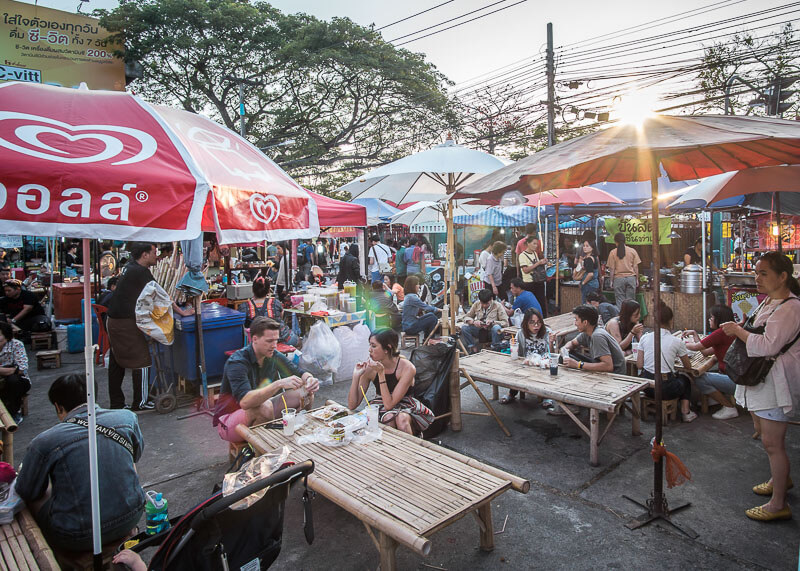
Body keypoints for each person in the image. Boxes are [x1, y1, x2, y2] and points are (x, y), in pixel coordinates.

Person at [15, 373, 145, 553]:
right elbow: (135, 456)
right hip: (133, 516)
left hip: (76, 535)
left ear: (58, 406)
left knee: (38, 491)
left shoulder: (45, 441)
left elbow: (26, 490)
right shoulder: (127, 418)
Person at [720, 252, 800, 522]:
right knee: (768, 439)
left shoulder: (791, 307)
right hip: (762, 380)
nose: (757, 278)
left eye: (763, 273)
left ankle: (779, 504)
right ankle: (781, 480)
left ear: (783, 276)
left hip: (777, 384)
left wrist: (738, 331)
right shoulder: (768, 302)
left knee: (772, 443)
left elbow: (767, 345)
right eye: (756, 272)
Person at [213, 317, 319, 443]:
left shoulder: (273, 354)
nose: (274, 345)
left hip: (265, 406)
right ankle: (261, 451)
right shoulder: (237, 362)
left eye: (276, 340)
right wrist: (278, 384)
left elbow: (299, 372)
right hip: (229, 421)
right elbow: (245, 402)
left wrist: (310, 379)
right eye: (269, 341)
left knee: (306, 393)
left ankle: (303, 436)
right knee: (264, 407)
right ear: (254, 339)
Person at [348, 329, 434, 435]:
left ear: (387, 348)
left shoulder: (407, 367)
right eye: (369, 345)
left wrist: (381, 374)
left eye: (374, 346)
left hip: (405, 404)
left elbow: (389, 405)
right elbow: (352, 405)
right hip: (380, 404)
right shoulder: (370, 368)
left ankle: (410, 448)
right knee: (388, 417)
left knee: (401, 419)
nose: (370, 350)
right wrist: (356, 376)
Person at [106, 242, 158, 411]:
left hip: (114, 320)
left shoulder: (130, 266)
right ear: (145, 255)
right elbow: (159, 295)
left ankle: (116, 403)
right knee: (142, 359)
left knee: (117, 361)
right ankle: (141, 402)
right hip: (124, 322)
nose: (156, 256)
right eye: (154, 252)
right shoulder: (140, 271)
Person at [637, 302, 697, 423]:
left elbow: (639, 365)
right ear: (671, 320)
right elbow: (688, 366)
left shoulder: (645, 337)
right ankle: (686, 412)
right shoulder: (677, 341)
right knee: (685, 379)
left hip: (647, 386)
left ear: (654, 319)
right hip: (666, 389)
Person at [682, 304, 738, 420]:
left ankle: (729, 407)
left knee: (700, 378)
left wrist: (680, 343)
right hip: (736, 377)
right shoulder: (730, 331)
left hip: (735, 381)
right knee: (706, 373)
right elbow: (705, 352)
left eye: (711, 318)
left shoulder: (720, 333)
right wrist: (695, 334)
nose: (709, 320)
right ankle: (715, 397)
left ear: (719, 320)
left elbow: (696, 347)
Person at [501, 308, 553, 404]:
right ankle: (511, 394)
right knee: (516, 371)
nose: (536, 326)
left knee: (547, 372)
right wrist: (513, 345)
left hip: (542, 364)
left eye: (538, 322)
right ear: (526, 323)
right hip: (527, 363)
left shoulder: (547, 332)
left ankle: (546, 396)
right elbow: (517, 355)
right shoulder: (521, 333)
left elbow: (552, 354)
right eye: (532, 323)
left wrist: (551, 342)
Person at [563, 305, 626, 374]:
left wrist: (578, 364)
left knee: (572, 364)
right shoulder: (588, 332)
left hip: (615, 375)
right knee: (566, 357)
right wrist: (564, 350)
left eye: (576, 320)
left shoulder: (597, 336)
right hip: (603, 367)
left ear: (585, 322)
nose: (575, 323)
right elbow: (572, 343)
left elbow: (608, 366)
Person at [240, 277, 299, 347]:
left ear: (253, 290)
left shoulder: (244, 306)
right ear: (268, 291)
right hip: (281, 338)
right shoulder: (275, 303)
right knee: (299, 342)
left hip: (258, 342)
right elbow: (281, 316)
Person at [461, 288, 509, 353]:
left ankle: (495, 349)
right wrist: (474, 322)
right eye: (482, 303)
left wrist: (493, 322)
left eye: (486, 303)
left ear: (491, 299)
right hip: (480, 331)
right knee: (464, 327)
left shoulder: (498, 306)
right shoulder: (476, 304)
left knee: (496, 328)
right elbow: (466, 317)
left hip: (492, 333)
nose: (484, 305)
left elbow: (505, 323)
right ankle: (473, 348)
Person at [0, 321, 30, 423]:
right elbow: (15, 369)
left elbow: (22, 369)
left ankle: (14, 413)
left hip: (19, 381)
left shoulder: (16, 345)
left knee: (14, 381)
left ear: (6, 336)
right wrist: (11, 370)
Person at [607, 232, 641, 308]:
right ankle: (630, 318)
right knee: (631, 301)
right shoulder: (632, 251)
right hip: (631, 278)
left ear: (615, 242)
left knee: (620, 302)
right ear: (625, 241)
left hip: (618, 279)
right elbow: (636, 267)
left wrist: (611, 281)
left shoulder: (612, 253)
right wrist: (637, 279)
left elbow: (612, 269)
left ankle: (621, 318)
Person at [401, 275, 440, 340]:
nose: (419, 286)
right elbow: (426, 307)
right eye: (417, 284)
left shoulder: (409, 296)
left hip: (409, 324)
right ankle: (429, 340)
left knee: (430, 315)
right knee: (432, 318)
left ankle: (427, 339)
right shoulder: (412, 297)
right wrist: (440, 310)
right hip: (410, 327)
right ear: (413, 286)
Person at [517, 236, 548, 316]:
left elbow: (536, 266)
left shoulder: (534, 253)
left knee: (541, 302)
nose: (536, 246)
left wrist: (542, 262)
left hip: (538, 281)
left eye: (536, 244)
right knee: (531, 305)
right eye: (534, 244)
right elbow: (525, 270)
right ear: (528, 243)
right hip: (529, 283)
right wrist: (538, 263)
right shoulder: (522, 255)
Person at [576, 240, 600, 304]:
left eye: (587, 246)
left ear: (592, 248)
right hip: (593, 284)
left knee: (586, 305)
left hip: (589, 285)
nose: (584, 247)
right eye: (584, 246)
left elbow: (590, 274)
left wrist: (583, 283)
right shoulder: (593, 257)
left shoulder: (589, 259)